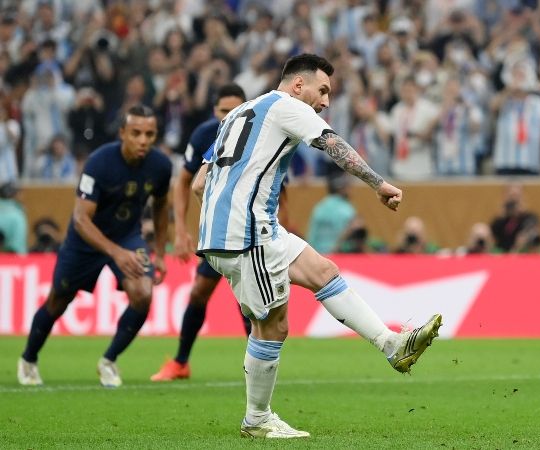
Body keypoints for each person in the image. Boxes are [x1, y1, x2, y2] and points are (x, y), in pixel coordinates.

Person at [196, 54, 442, 439]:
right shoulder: (286, 106)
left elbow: (200, 182)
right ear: (298, 85)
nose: (326, 101)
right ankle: (257, 420)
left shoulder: (241, 111)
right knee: (272, 326)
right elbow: (332, 143)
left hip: (247, 228)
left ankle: (392, 344)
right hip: (247, 232)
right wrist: (379, 184)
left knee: (323, 272)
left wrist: (217, 223)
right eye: (322, 90)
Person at [17, 105, 172, 388]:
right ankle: (28, 359)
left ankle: (109, 361)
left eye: (149, 134)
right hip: (85, 240)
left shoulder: (161, 166)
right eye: (136, 133)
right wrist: (115, 252)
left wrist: (160, 252)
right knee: (58, 300)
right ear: (122, 133)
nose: (143, 140)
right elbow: (80, 219)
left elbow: (161, 208)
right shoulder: (99, 163)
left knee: (143, 294)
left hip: (127, 236)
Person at [150, 84, 250, 382]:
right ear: (214, 111)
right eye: (223, 111)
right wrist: (179, 231)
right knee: (199, 292)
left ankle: (257, 368)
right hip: (218, 232)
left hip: (250, 229)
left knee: (248, 300)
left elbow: (280, 193)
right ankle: (181, 362)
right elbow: (183, 182)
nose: (229, 116)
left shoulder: (260, 134)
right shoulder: (205, 135)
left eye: (236, 110)